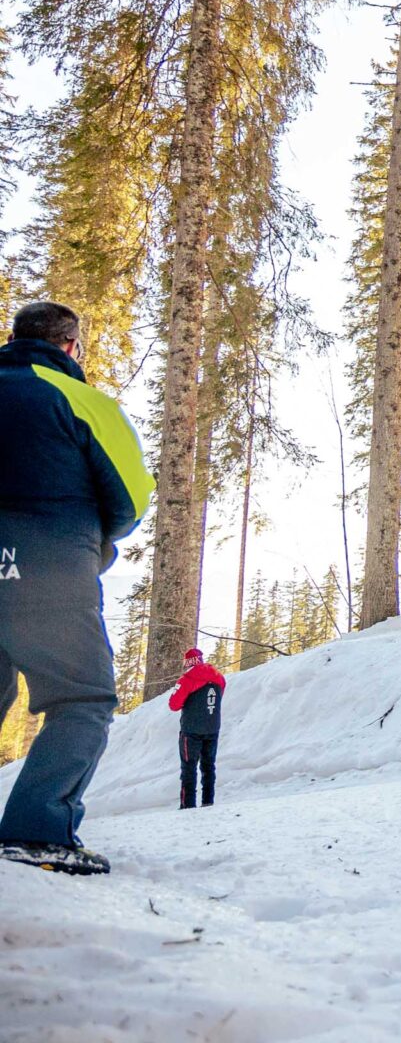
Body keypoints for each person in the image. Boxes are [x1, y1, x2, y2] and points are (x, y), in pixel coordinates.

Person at [0, 301, 153, 876]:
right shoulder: (83, 401)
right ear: (69, 346)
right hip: (48, 567)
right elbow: (131, 497)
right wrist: (94, 542)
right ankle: (37, 831)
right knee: (81, 699)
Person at [169, 647, 225, 808]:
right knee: (209, 766)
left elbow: (174, 704)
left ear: (187, 662)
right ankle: (208, 801)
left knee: (189, 767)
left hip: (191, 729)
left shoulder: (187, 679)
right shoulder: (219, 677)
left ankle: (188, 805)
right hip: (212, 726)